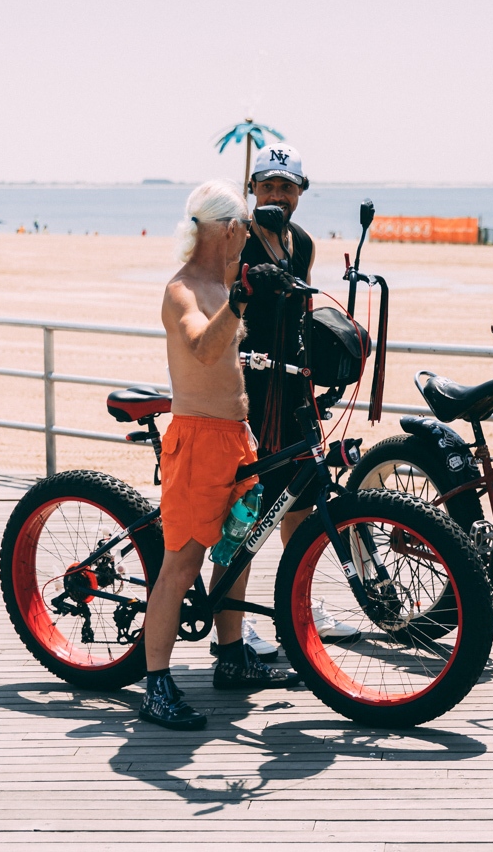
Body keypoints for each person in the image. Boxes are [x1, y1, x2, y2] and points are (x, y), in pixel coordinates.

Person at [141, 180, 298, 731]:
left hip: (236, 437)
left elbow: (266, 276)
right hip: (198, 440)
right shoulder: (183, 289)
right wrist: (239, 300)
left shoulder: (226, 278)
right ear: (231, 229)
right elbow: (204, 348)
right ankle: (155, 686)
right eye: (242, 230)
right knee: (181, 564)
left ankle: (231, 658)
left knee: (236, 552)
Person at [233, 143, 358, 658]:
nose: (277, 195)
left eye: (288, 186)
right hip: (244, 386)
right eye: (268, 185)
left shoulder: (301, 242)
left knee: (300, 502)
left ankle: (298, 604)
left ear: (301, 193)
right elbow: (217, 298)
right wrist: (244, 289)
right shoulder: (235, 237)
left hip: (292, 385)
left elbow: (303, 310)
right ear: (252, 189)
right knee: (241, 503)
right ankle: (232, 622)